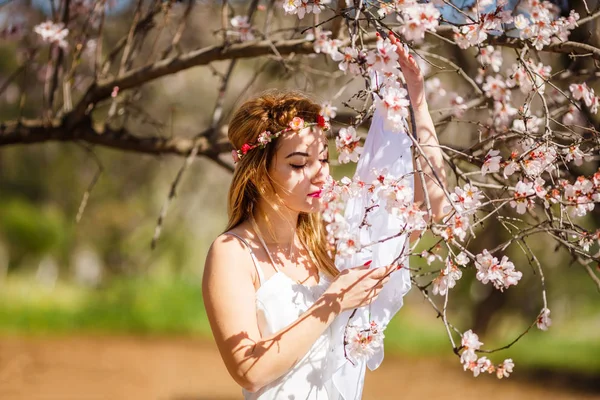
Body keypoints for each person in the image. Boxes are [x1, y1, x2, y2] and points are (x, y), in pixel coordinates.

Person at [202, 35, 448, 399]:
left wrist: (417, 97)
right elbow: (249, 370)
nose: (321, 175)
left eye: (324, 160)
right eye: (300, 163)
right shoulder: (232, 253)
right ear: (258, 171)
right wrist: (334, 301)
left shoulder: (334, 239)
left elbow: (431, 207)